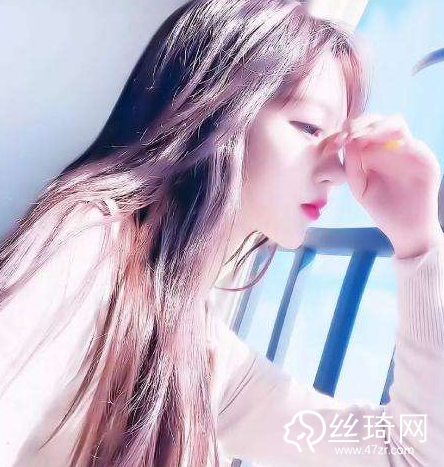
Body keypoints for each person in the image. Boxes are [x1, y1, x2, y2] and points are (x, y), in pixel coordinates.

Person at [0, 0, 443, 466]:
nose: (337, 172)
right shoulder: (89, 248)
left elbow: (405, 451)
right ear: (219, 107)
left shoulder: (204, 354)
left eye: (340, 146)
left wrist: (419, 241)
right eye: (310, 128)